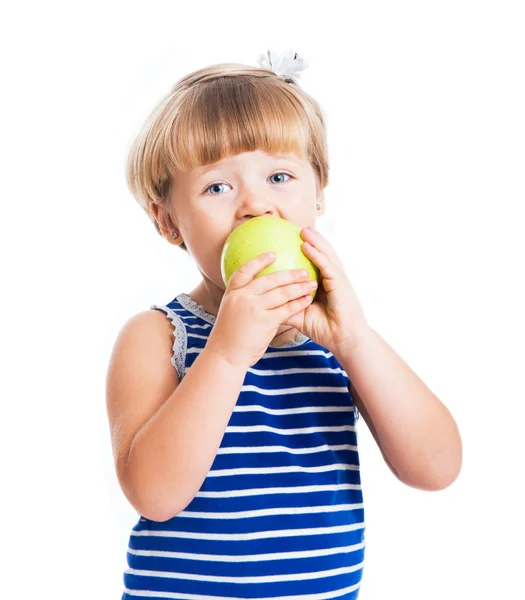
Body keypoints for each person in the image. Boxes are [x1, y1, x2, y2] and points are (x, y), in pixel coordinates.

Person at [106, 49, 462, 600]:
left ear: (318, 193)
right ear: (168, 220)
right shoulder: (158, 337)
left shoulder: (338, 339)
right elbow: (154, 495)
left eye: (278, 176)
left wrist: (356, 341)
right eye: (217, 187)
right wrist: (225, 356)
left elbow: (437, 468)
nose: (255, 206)